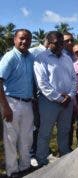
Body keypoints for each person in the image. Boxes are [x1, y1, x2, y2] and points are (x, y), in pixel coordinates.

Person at [34, 31, 77, 166]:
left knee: (64, 131)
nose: (59, 46)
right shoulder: (41, 58)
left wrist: (70, 96)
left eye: (61, 43)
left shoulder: (67, 58)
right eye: (56, 43)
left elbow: (74, 79)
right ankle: (41, 160)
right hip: (49, 102)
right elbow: (42, 83)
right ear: (48, 42)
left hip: (67, 102)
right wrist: (59, 98)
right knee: (45, 132)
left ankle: (63, 157)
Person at [0, 29, 35, 177]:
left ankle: (25, 167)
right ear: (14, 39)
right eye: (21, 38)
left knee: (26, 137)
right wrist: (5, 107)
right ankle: (12, 171)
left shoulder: (31, 57)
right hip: (11, 102)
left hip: (27, 103)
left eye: (27, 39)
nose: (24, 42)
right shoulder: (10, 57)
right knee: (10, 138)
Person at [28, 34, 50, 167]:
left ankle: (44, 151)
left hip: (47, 96)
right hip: (34, 96)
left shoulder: (53, 54)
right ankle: (32, 154)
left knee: (45, 125)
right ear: (47, 41)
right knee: (35, 126)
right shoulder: (33, 52)